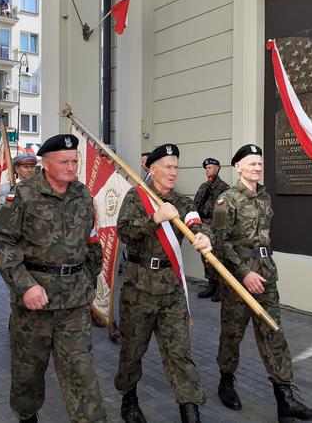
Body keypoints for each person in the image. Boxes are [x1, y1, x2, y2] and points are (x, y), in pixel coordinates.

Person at [0, 134, 106, 423]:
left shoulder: (82, 195)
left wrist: (88, 281)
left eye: (75, 161)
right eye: (64, 161)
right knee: (29, 371)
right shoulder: (23, 195)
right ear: (46, 163)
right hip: (35, 303)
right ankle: (26, 416)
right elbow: (2, 242)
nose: (72, 167)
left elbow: (91, 241)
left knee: (81, 371)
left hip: (74, 304)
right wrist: (25, 286)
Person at [213, 144, 312, 422]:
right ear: (238, 167)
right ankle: (226, 382)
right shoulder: (226, 200)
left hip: (266, 273)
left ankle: (285, 399)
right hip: (239, 278)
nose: (257, 168)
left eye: (260, 163)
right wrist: (243, 274)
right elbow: (220, 243)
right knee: (232, 334)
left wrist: (260, 271)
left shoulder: (264, 197)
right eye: (251, 163)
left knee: (273, 333)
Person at [115, 144, 213, 423]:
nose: (173, 172)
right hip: (139, 290)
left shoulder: (183, 203)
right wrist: (155, 218)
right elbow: (124, 232)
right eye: (167, 167)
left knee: (180, 353)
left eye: (176, 167)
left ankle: (190, 410)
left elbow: (198, 224)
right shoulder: (136, 197)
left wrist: (206, 238)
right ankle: (129, 399)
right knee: (133, 350)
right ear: (152, 168)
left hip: (171, 291)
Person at [193, 158, 229, 301]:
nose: (207, 170)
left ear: (217, 168)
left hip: (217, 228)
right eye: (206, 168)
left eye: (210, 167)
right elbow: (196, 204)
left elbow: (224, 211)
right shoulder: (203, 186)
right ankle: (211, 285)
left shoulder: (224, 188)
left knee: (218, 257)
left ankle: (220, 288)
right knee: (206, 257)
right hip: (204, 227)